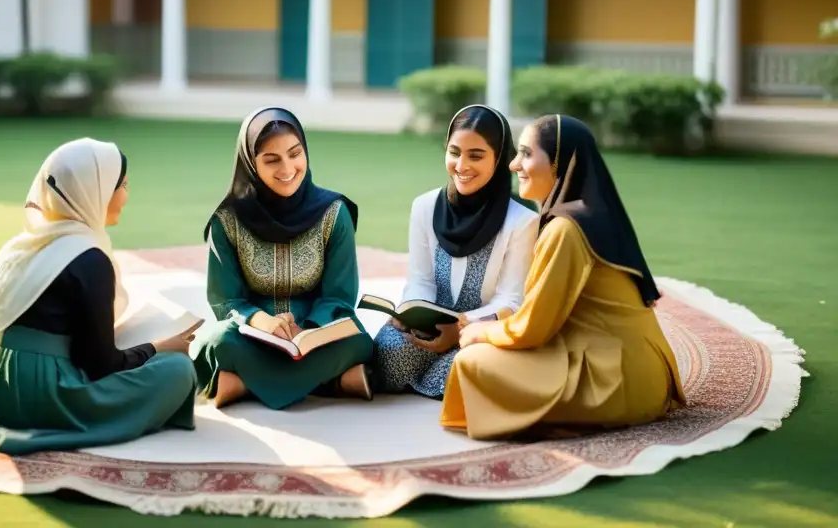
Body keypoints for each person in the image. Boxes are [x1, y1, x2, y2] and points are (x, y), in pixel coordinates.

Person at [0, 138, 198, 455]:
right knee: (178, 371)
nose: (127, 197)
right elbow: (99, 364)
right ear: (96, 191)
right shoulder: (89, 258)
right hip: (41, 393)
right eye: (123, 186)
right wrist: (159, 347)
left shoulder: (22, 246)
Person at [440, 114, 685, 439]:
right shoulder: (588, 213)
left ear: (561, 162)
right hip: (643, 370)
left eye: (527, 153)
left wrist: (482, 331)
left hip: (617, 379)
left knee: (471, 362)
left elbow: (532, 329)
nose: (514, 165)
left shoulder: (565, 229)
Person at [192, 107, 375, 409]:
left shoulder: (334, 212)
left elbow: (339, 297)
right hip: (253, 335)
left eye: (294, 153)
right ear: (251, 164)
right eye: (271, 159)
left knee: (359, 341)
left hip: (316, 335)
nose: (287, 168)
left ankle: (242, 383)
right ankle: (332, 381)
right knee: (216, 342)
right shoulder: (227, 220)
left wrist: (308, 329)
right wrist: (259, 320)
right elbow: (224, 300)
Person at [372, 105, 537, 398]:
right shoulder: (424, 207)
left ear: (499, 158)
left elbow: (511, 300)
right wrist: (411, 315)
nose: (461, 165)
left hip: (479, 334)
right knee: (387, 357)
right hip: (426, 332)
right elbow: (420, 280)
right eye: (454, 152)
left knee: (467, 368)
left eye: (476, 155)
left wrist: (461, 329)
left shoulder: (522, 221)